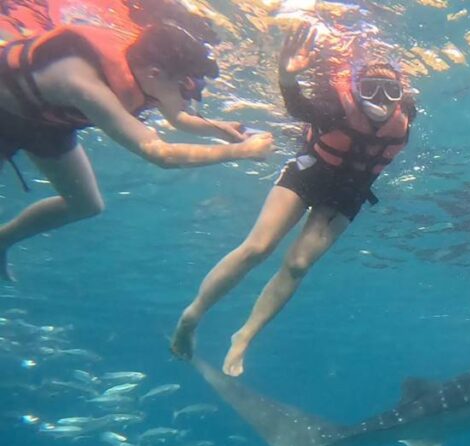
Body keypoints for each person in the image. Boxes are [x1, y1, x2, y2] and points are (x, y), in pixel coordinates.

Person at [171, 22, 416, 376]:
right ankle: (191, 316)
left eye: (389, 91)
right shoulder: (336, 107)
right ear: (357, 89)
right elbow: (299, 108)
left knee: (299, 264)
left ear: (401, 95)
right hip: (310, 172)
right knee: (258, 247)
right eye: (371, 88)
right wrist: (287, 77)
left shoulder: (406, 119)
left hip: (349, 192)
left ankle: (244, 336)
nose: (379, 98)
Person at [0, 0, 273, 280]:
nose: (186, 97)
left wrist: (221, 129)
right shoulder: (81, 81)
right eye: (184, 87)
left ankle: (3, 239)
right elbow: (160, 154)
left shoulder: (151, 71)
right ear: (156, 74)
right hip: (4, 116)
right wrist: (241, 151)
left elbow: (177, 116)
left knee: (86, 205)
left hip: (48, 126)